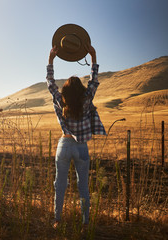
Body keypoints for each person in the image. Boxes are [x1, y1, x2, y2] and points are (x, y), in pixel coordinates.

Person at [46, 43, 106, 229]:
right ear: (80, 90)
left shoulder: (61, 100)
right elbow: (94, 80)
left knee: (60, 184)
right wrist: (93, 56)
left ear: (65, 91)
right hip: (81, 147)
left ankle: (57, 219)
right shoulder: (86, 99)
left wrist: (51, 59)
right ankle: (85, 222)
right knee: (83, 186)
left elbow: (50, 83)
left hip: (64, 145)